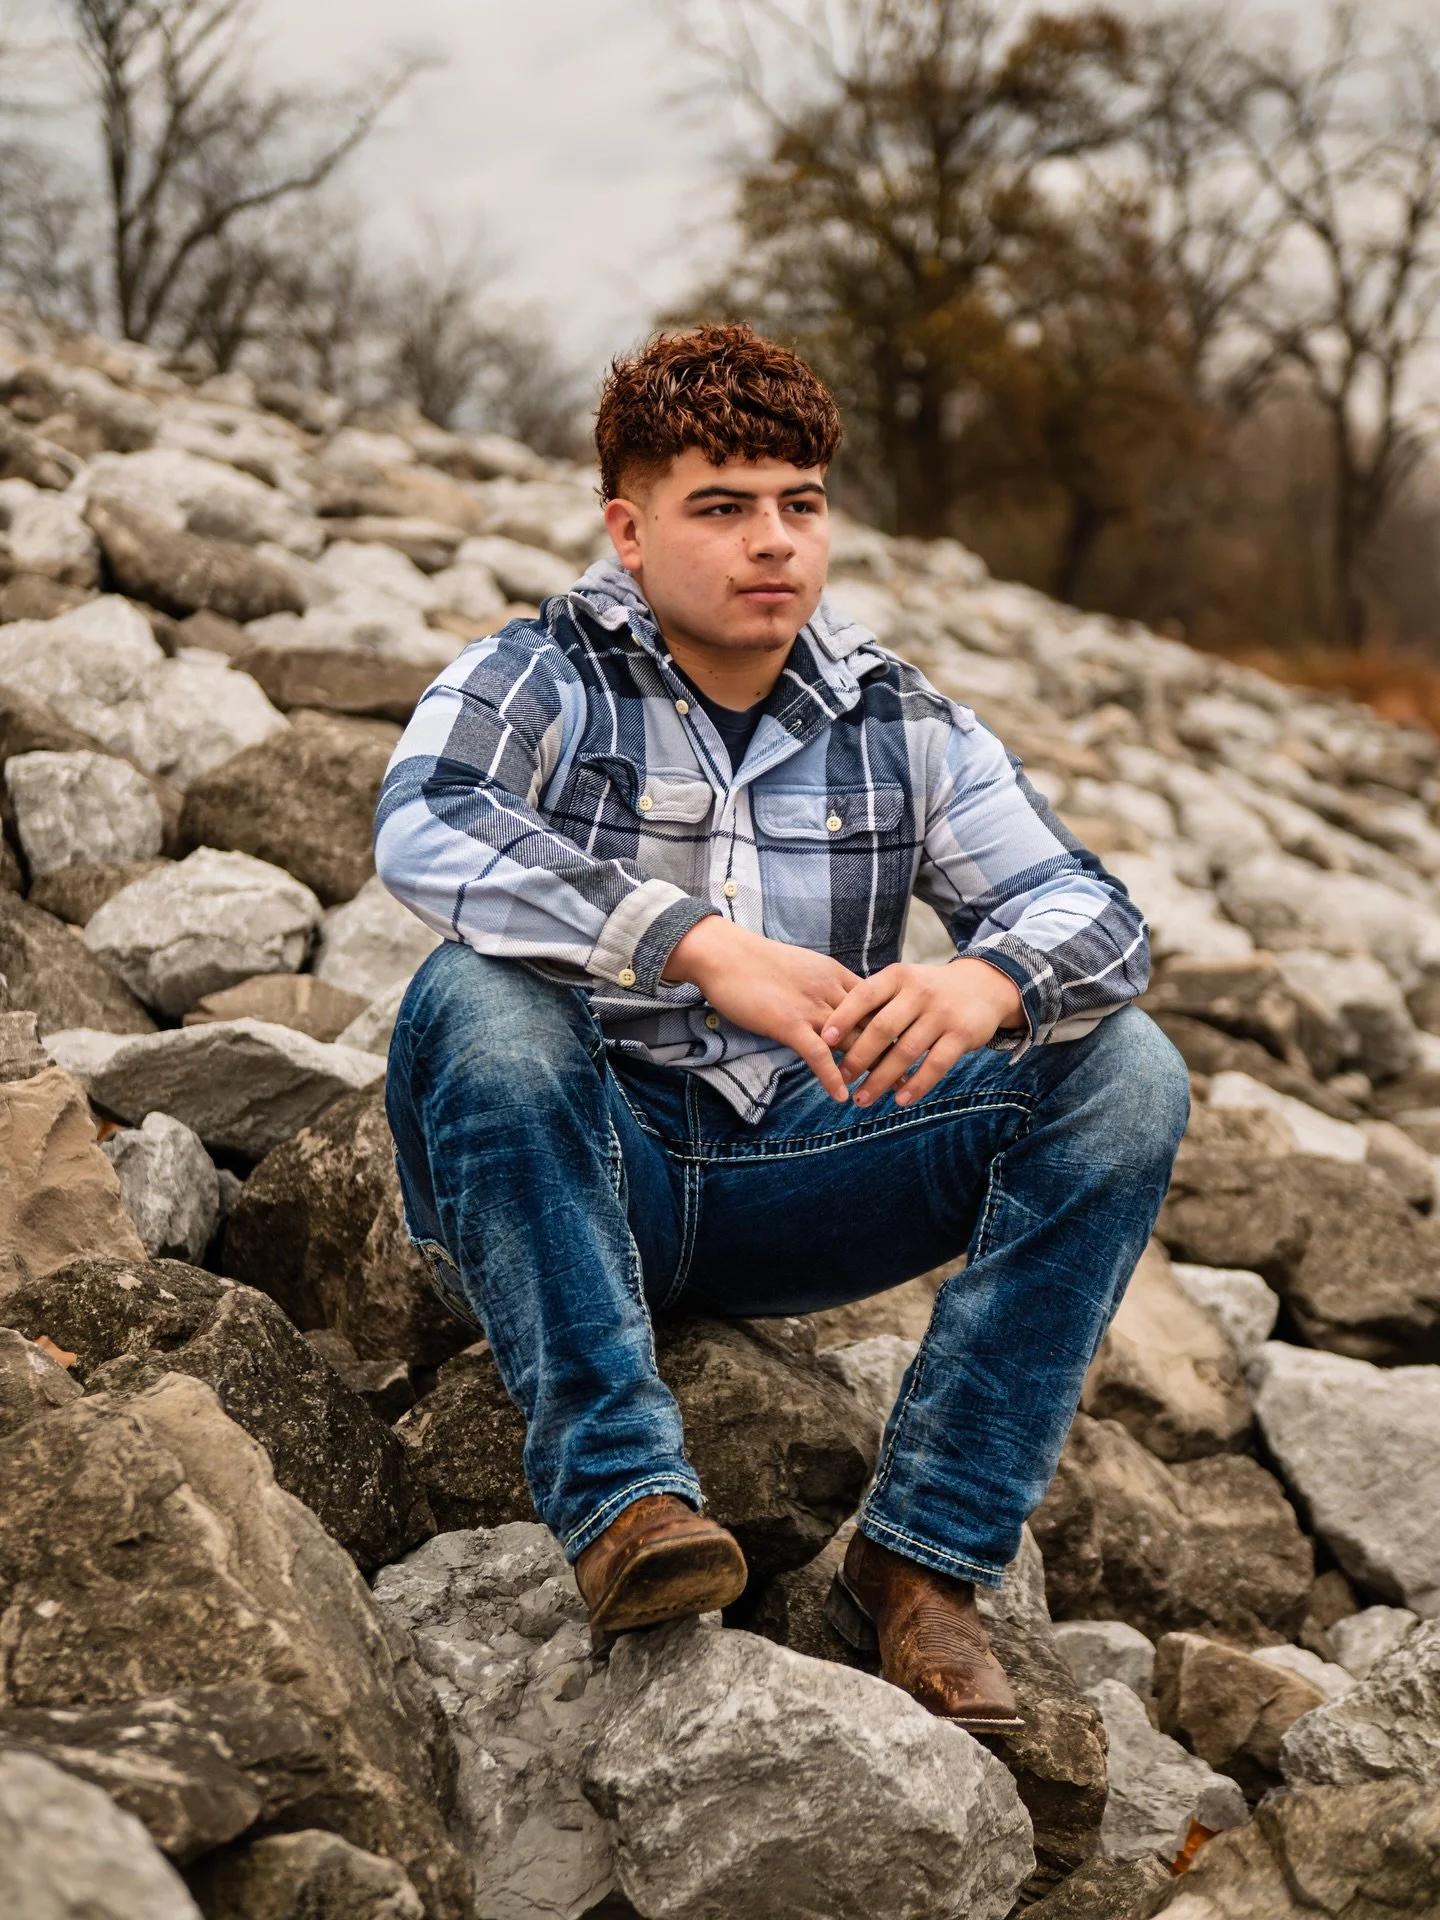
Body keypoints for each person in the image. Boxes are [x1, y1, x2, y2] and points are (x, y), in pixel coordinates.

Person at [377, 323, 1189, 1730]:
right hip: (575, 1175)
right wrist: (689, 943)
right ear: (629, 531)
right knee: (476, 997)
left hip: (797, 1172)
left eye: (799, 504)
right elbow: (425, 823)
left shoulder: (901, 720)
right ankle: (628, 1504)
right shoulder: (539, 675)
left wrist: (985, 984)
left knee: (1126, 1071)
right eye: (723, 506)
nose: (775, 544)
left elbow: (1099, 915)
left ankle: (921, 1565)